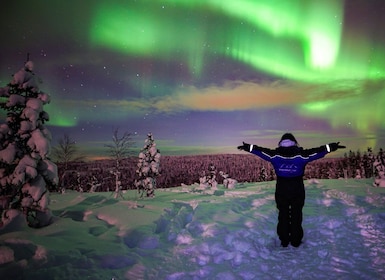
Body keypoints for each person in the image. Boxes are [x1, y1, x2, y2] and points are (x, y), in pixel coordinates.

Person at [237, 133, 345, 247]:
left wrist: (248, 147)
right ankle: (295, 240)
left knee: (283, 214)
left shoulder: (275, 155)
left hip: (281, 188)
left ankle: (284, 240)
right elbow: (317, 152)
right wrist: (330, 147)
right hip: (297, 188)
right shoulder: (301, 155)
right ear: (294, 142)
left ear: (281, 143)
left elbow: (261, 151)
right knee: (296, 214)